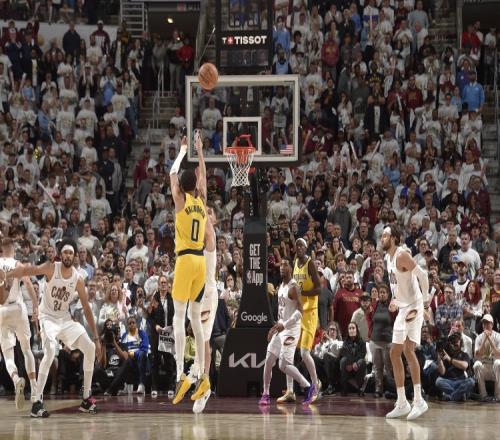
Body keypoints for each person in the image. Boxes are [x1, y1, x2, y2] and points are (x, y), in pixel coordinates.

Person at [2, 239, 101, 418]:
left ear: (75, 256)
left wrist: (96, 337)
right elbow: (26, 270)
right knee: (50, 351)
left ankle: (86, 399)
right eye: (65, 252)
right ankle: (36, 402)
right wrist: (6, 275)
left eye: (71, 253)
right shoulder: (50, 268)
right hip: (47, 318)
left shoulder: (78, 279)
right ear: (60, 255)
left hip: (64, 319)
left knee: (91, 347)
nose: (68, 255)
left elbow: (87, 308)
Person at [170, 131, 210, 404]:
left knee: (178, 317)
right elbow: (203, 177)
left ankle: (179, 375)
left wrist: (183, 151)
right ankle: (202, 374)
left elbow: (172, 173)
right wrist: (200, 151)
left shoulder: (181, 200)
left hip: (185, 260)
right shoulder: (201, 200)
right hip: (201, 262)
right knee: (195, 319)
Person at [382, 225, 430, 420]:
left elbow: (423, 276)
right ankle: (403, 402)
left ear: (394, 238)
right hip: (403, 307)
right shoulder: (387, 258)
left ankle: (418, 401)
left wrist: (425, 302)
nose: (382, 238)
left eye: (385, 235)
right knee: (399, 352)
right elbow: (397, 284)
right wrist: (395, 300)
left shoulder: (402, 255)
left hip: (414, 306)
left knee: (404, 350)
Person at [259, 258, 312, 406]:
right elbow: (282, 313)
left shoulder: (293, 287)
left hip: (291, 329)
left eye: (286, 265)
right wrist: (275, 327)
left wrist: (285, 325)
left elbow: (300, 312)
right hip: (281, 327)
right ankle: (266, 393)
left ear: (291, 268)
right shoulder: (280, 286)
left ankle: (308, 386)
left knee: (283, 365)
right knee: (269, 360)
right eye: (281, 265)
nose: (282, 267)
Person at [281, 237, 321, 404]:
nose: (298, 248)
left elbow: (319, 288)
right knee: (288, 353)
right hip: (298, 313)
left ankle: (316, 384)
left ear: (306, 248)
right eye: (296, 245)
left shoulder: (310, 264)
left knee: (304, 353)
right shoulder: (295, 263)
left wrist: (302, 293)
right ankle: (290, 391)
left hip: (310, 313)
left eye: (301, 245)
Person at [0, 238, 38, 410]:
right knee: (26, 349)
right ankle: (35, 390)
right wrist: (35, 307)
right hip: (18, 307)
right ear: (13, 250)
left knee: (8, 354)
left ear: (2, 250)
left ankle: (16, 380)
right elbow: (28, 284)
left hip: (2, 310)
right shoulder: (18, 264)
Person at [187, 207, 218, 413]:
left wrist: (201, 205)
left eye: (209, 212)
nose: (205, 213)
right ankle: (200, 377)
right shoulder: (193, 239)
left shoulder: (210, 241)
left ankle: (203, 383)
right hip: (193, 295)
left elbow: (208, 229)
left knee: (204, 341)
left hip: (206, 294)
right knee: (199, 340)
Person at [435, 332, 475, 401]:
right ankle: (459, 395)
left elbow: (464, 366)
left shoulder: (464, 355)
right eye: (453, 342)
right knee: (438, 381)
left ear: (460, 343)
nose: (454, 344)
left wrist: (450, 359)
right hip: (448, 381)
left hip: (460, 381)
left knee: (471, 381)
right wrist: (439, 359)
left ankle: (451, 397)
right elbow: (442, 372)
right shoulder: (445, 354)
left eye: (456, 341)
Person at [473, 314, 500, 401]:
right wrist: (485, 339)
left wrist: (490, 339)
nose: (485, 325)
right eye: (484, 323)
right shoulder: (479, 337)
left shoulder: (498, 336)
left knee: (498, 363)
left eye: (488, 323)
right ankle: (483, 395)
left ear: (492, 324)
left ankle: (498, 396)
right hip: (484, 367)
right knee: (477, 364)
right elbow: (477, 356)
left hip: (494, 369)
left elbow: (498, 354)